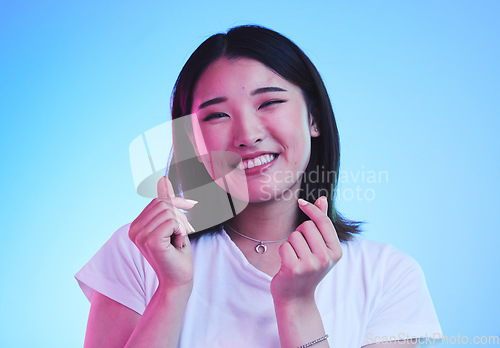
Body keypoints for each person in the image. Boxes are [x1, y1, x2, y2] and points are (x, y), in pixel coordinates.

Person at [75, 25, 442, 348]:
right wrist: (170, 292)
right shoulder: (139, 254)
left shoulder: (387, 274)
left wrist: (296, 306)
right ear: (192, 139)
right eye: (217, 115)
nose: (248, 135)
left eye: (269, 103)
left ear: (313, 118)